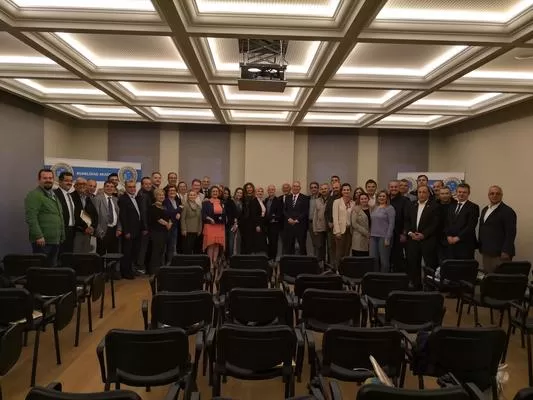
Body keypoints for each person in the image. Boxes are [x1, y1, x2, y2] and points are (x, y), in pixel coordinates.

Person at [24, 169, 65, 266]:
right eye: (45, 178)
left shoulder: (53, 195)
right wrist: (38, 236)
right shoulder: (34, 195)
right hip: (42, 241)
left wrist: (62, 235)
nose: (48, 180)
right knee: (41, 269)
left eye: (50, 178)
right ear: (39, 180)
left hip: (55, 240)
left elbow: (59, 215)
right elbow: (31, 217)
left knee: (51, 268)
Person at [406, 186, 440, 289]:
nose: (421, 194)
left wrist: (423, 235)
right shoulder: (412, 205)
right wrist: (410, 233)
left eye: (424, 192)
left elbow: (435, 224)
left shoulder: (435, 206)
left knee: (430, 264)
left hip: (428, 240)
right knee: (413, 263)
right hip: (413, 239)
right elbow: (407, 220)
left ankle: (430, 287)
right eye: (419, 192)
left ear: (428, 194)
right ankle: (416, 285)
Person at [478, 185, 517, 273]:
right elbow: (483, 228)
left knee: (500, 278)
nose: (494, 195)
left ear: (501, 195)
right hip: (486, 251)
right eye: (492, 193)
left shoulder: (508, 211)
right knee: (488, 277)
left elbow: (511, 233)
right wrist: (481, 246)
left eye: (497, 194)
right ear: (488, 195)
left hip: (500, 254)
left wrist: (506, 251)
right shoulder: (485, 209)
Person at [444, 183, 479, 259]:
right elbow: (447, 223)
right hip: (451, 243)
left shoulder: (473, 207)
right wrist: (448, 236)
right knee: (452, 265)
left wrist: (458, 238)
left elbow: (471, 226)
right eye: (459, 192)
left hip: (465, 244)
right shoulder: (451, 206)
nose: (461, 194)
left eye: (464, 192)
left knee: (464, 265)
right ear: (456, 192)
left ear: (468, 193)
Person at [118, 180, 142, 279]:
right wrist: (126, 231)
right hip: (129, 231)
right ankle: (125, 272)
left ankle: (131, 270)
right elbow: (123, 216)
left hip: (137, 230)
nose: (132, 189)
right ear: (126, 188)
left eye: (133, 187)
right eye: (130, 187)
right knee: (127, 253)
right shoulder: (123, 199)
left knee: (134, 252)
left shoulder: (135, 198)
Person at [202, 186, 226, 276]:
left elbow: (224, 214)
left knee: (217, 245)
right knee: (211, 245)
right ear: (210, 193)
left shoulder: (222, 202)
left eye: (216, 191)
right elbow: (203, 214)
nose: (215, 193)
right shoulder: (206, 202)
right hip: (210, 226)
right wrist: (210, 219)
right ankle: (210, 264)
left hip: (219, 226)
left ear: (219, 193)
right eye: (213, 191)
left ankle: (215, 261)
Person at [369, 190, 396, 273]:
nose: (381, 198)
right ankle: (374, 277)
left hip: (384, 237)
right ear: (377, 198)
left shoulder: (390, 208)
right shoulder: (375, 207)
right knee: (373, 260)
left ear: (387, 198)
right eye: (380, 196)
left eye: (383, 196)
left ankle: (384, 278)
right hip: (373, 237)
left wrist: (388, 238)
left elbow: (391, 224)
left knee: (384, 261)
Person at [94, 180, 122, 257]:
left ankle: (111, 265)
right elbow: (95, 217)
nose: (109, 188)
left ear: (114, 189)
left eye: (112, 187)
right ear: (104, 187)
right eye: (107, 186)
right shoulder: (98, 199)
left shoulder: (116, 200)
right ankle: (100, 266)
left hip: (114, 231)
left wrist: (119, 229)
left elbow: (119, 216)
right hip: (103, 230)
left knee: (113, 254)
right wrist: (99, 231)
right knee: (101, 254)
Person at [71, 177, 98, 253]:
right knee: (76, 255)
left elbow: (95, 215)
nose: (82, 186)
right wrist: (85, 228)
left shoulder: (87, 198)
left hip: (88, 232)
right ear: (75, 186)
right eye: (80, 184)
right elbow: (74, 215)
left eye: (84, 184)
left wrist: (92, 227)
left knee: (85, 255)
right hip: (77, 232)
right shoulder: (71, 197)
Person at [388, 180, 411, 272]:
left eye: (395, 187)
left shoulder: (405, 200)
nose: (393, 189)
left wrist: (404, 233)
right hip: (386, 234)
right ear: (389, 188)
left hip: (399, 234)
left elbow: (407, 218)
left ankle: (398, 277)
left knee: (398, 258)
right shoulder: (386, 199)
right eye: (391, 187)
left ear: (399, 188)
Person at [283, 181, 309, 255]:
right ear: (292, 188)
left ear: (300, 188)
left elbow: (305, 211)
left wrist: (297, 220)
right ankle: (289, 260)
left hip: (300, 225)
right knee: (289, 246)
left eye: (297, 186)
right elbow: (284, 210)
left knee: (302, 245)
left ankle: (303, 260)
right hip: (289, 225)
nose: (295, 188)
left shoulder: (305, 198)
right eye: (294, 186)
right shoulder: (287, 197)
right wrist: (289, 218)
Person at [240, 182, 267, 255]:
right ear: (256, 192)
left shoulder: (262, 201)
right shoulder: (253, 201)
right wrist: (257, 225)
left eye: (261, 191)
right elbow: (254, 214)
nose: (260, 192)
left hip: (261, 223)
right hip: (253, 223)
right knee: (252, 241)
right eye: (258, 191)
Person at [148, 189, 171, 273]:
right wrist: (167, 224)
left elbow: (168, 217)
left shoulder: (164, 206)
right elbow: (157, 218)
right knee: (156, 251)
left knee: (162, 251)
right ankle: (153, 271)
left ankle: (160, 269)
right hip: (156, 232)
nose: (161, 196)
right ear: (155, 196)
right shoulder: (153, 207)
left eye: (163, 195)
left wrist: (170, 223)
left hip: (164, 232)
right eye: (159, 195)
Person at [332, 183, 355, 267]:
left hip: (350, 230)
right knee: (339, 252)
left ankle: (345, 269)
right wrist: (337, 231)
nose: (346, 191)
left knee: (347, 252)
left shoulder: (353, 203)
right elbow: (335, 217)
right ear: (341, 191)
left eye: (348, 190)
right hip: (340, 231)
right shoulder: (337, 202)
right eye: (344, 190)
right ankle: (337, 269)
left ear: (350, 191)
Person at [54, 171, 76, 254]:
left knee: (68, 255)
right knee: (59, 255)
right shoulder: (54, 194)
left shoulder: (70, 195)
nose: (69, 183)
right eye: (66, 180)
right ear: (60, 181)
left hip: (71, 230)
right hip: (60, 231)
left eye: (71, 181)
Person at [264, 185, 282, 263]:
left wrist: (272, 217)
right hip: (266, 225)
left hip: (274, 225)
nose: (271, 191)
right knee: (267, 242)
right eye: (269, 190)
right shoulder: (265, 200)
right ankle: (268, 258)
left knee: (274, 242)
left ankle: (273, 258)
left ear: (274, 191)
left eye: (272, 189)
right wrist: (272, 217)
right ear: (267, 191)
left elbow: (279, 214)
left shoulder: (278, 201)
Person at [163, 185, 182, 264]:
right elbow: (168, 213)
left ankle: (171, 263)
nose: (172, 192)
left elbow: (176, 212)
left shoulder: (176, 201)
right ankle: (165, 265)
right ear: (167, 192)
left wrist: (179, 213)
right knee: (165, 247)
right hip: (167, 227)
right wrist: (179, 209)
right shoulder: (165, 201)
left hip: (175, 227)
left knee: (172, 246)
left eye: (174, 190)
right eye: (170, 190)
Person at [312, 183, 329, 265]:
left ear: (328, 189)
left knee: (330, 248)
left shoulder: (333, 200)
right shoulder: (317, 200)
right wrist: (314, 228)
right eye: (322, 189)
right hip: (320, 227)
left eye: (325, 188)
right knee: (320, 247)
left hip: (330, 228)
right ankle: (320, 265)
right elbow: (315, 216)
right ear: (320, 190)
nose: (323, 190)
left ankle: (329, 265)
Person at [351, 192, 371, 257]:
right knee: (358, 257)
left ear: (368, 199)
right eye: (362, 199)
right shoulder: (356, 209)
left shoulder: (372, 209)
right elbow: (354, 224)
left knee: (367, 258)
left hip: (370, 238)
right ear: (359, 200)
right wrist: (366, 232)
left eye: (365, 198)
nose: (364, 200)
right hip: (359, 237)